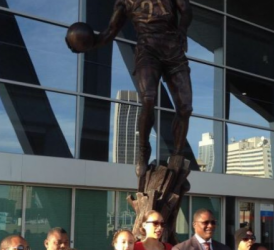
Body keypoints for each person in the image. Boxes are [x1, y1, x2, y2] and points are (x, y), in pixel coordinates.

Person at [67, 0, 193, 192]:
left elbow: (186, 10)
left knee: (185, 108)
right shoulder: (125, 2)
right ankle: (143, 151)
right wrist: (89, 43)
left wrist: (182, 31)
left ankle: (177, 158)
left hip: (173, 49)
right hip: (147, 50)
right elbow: (111, 31)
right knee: (149, 98)